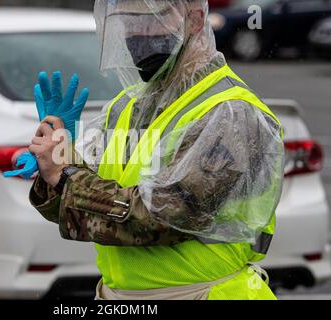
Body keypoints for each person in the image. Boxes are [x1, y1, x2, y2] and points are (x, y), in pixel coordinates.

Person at [27, 0, 285, 300]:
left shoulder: (229, 112)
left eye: (150, 19)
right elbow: (80, 210)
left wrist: (66, 174)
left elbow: (161, 218)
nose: (137, 34)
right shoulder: (128, 107)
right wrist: (54, 160)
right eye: (127, 22)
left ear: (196, 16)